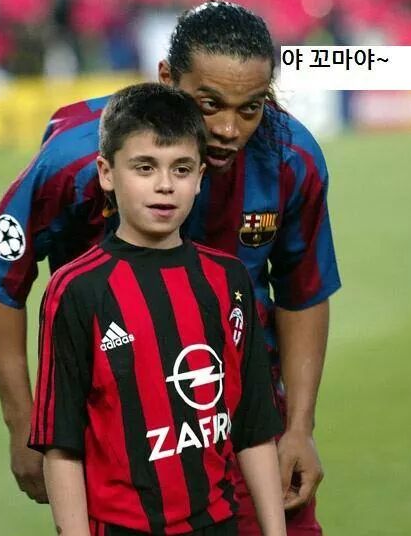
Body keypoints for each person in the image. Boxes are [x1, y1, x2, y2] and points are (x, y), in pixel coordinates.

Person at [0, 0, 341, 535]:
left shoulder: (290, 157)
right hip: (119, 430)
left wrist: (300, 427)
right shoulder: (81, 156)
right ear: (167, 78)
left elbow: (302, 291)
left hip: (239, 418)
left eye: (251, 108)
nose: (228, 128)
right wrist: (22, 422)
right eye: (209, 103)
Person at [28, 82, 286, 536]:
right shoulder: (76, 289)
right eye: (145, 167)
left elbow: (253, 429)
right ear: (107, 173)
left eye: (181, 169)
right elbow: (62, 445)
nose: (165, 185)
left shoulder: (228, 280)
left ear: (200, 177)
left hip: (220, 524)